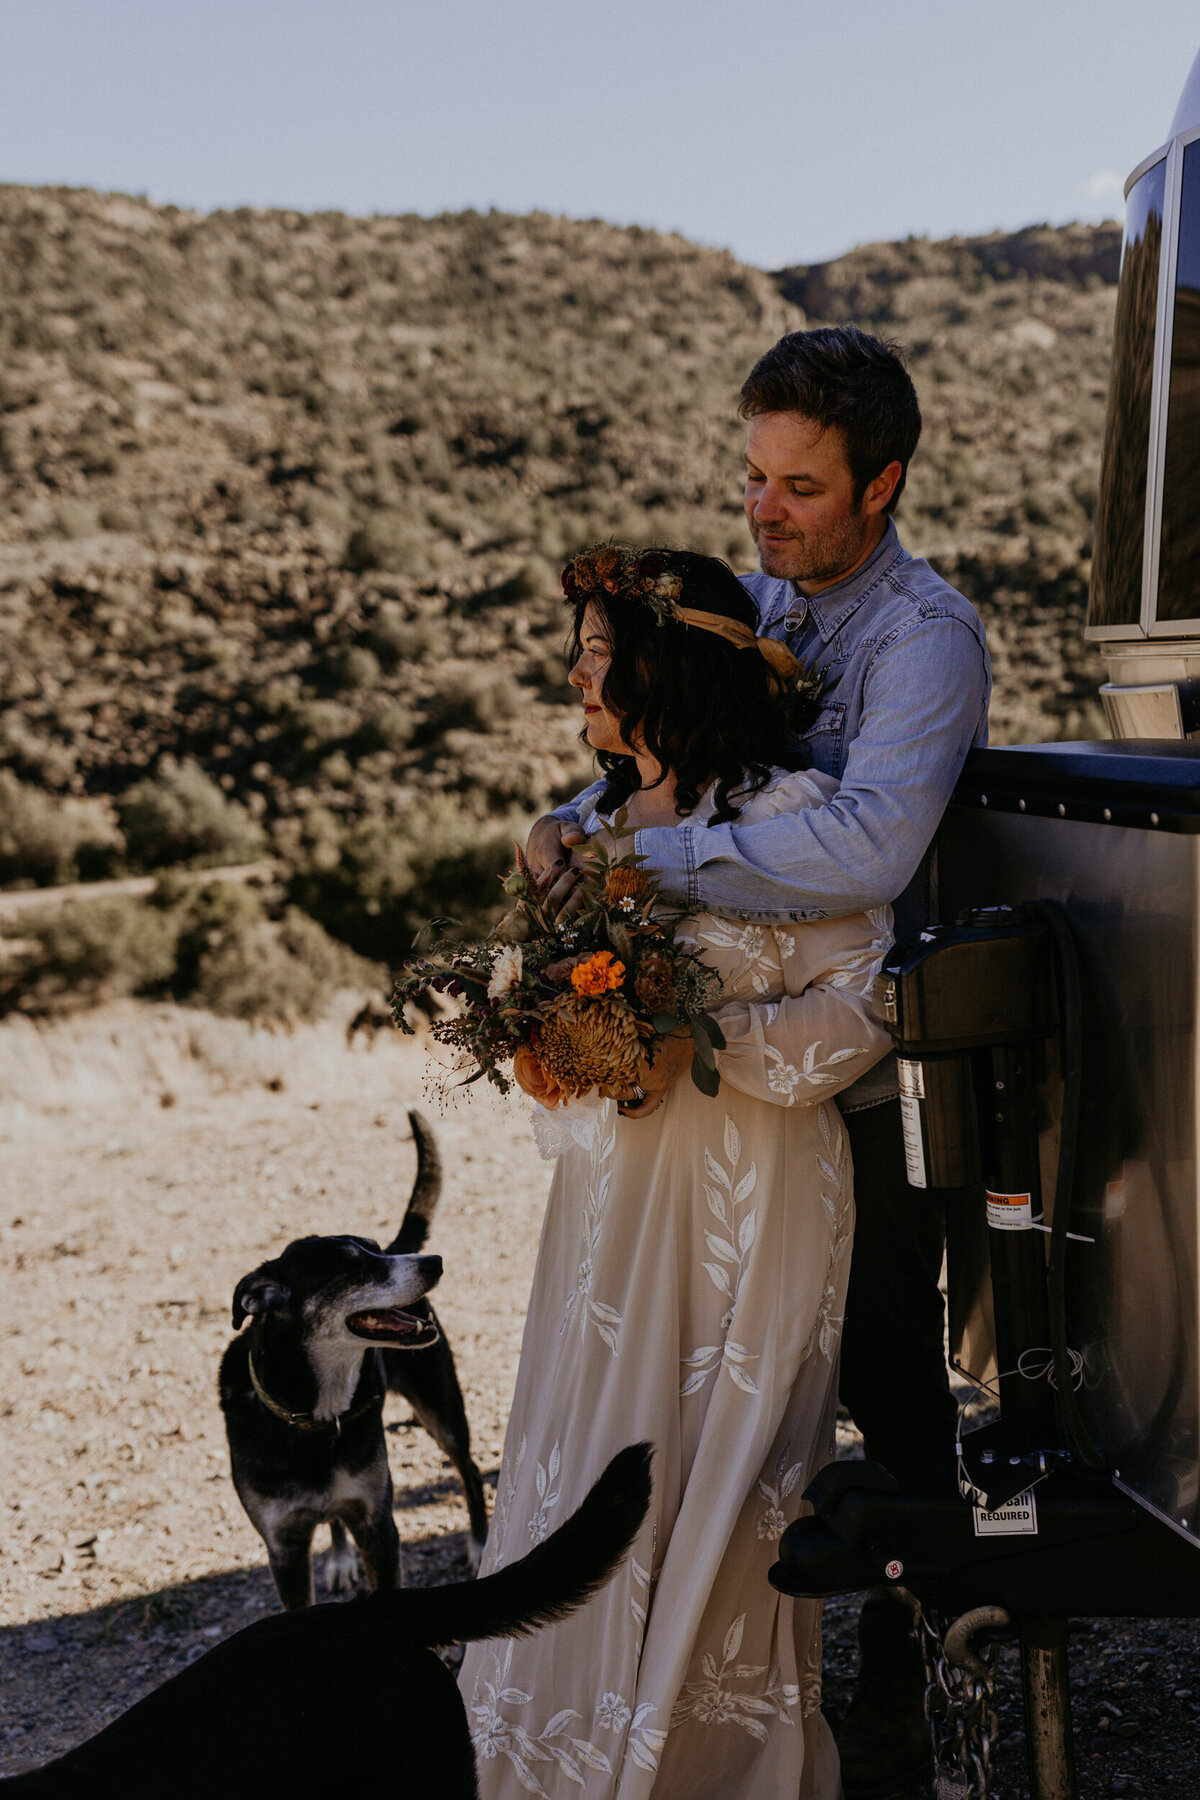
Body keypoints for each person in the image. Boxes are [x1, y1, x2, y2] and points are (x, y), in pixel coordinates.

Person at [527, 328, 992, 1795]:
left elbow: (866, 844)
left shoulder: (928, 641)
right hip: (718, 1105)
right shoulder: (765, 605)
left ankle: (914, 1690)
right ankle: (683, 1665)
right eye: (754, 478)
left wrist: (649, 864)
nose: (766, 513)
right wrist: (575, 823)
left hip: (864, 1067)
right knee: (711, 1393)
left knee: (890, 1389)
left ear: (883, 482)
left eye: (799, 486)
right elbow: (684, 735)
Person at [459, 545, 893, 1799]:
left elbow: (866, 1009)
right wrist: (554, 1043)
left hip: (754, 1197)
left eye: (600, 654)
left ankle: (701, 1761)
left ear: (670, 664)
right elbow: (548, 1035)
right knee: (592, 1457)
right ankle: (567, 1750)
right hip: (608, 1213)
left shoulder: (793, 824)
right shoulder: (574, 839)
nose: (577, 679)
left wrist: (708, 1048)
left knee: (726, 1466)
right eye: (581, 655)